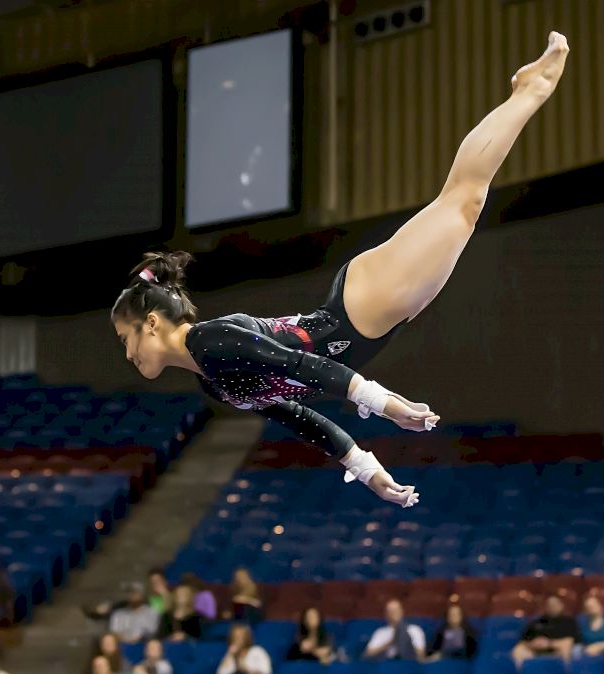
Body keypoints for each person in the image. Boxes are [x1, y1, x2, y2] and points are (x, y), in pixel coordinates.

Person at [109, 31, 571, 509]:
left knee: (464, 201)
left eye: (126, 338)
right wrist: (365, 467)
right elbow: (297, 415)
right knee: (462, 203)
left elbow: (298, 364)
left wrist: (384, 404)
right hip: (365, 327)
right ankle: (527, 92)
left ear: (152, 322)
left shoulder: (211, 340)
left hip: (356, 310)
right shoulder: (211, 378)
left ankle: (529, 89)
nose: (127, 354)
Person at [511, 595, 579, 670]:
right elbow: (523, 639)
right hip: (536, 649)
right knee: (519, 649)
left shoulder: (569, 621)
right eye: (549, 605)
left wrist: (549, 643)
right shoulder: (537, 622)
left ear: (561, 605)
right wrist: (533, 643)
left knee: (566, 644)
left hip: (557, 648)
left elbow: (572, 640)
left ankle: (565, 671)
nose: (552, 607)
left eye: (555, 604)